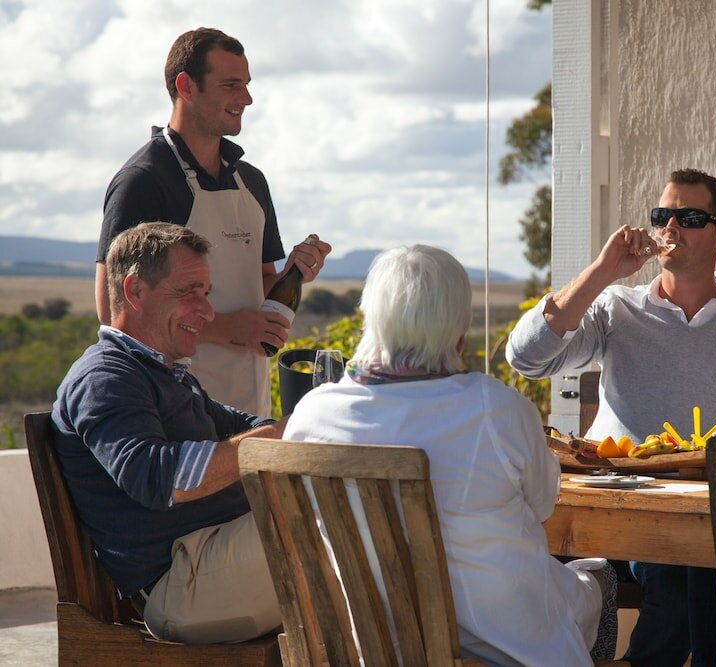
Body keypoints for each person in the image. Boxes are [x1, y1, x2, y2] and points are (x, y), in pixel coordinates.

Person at [505, 168, 716, 667]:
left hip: (696, 517)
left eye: (688, 217)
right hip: (607, 507)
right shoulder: (617, 307)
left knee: (698, 570)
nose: (670, 227)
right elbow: (526, 358)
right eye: (662, 215)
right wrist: (601, 272)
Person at [284, 245, 618, 666]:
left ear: (370, 318)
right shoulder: (494, 409)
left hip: (371, 648)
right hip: (504, 650)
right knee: (599, 580)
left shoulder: (314, 414)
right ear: (459, 330)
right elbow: (542, 507)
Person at [53, 223, 286, 644]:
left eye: (207, 294)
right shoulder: (106, 376)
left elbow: (246, 427)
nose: (208, 312)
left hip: (216, 561)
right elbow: (156, 478)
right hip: (186, 584)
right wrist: (282, 436)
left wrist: (297, 429)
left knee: (360, 518)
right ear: (135, 290)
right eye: (189, 292)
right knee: (347, 524)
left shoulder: (167, 375)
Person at [95, 27, 332, 416]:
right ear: (186, 86)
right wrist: (229, 328)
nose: (247, 98)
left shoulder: (251, 181)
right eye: (231, 85)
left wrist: (294, 274)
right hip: (172, 415)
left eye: (247, 85)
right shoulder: (144, 180)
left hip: (250, 406)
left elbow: (263, 284)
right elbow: (112, 310)